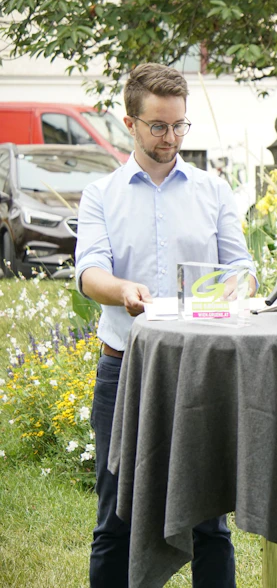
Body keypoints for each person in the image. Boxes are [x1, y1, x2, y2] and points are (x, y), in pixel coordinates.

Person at [75, 63, 258, 587]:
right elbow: (89, 272)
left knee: (209, 520)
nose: (172, 138)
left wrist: (223, 292)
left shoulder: (213, 190)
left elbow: (241, 269)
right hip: (124, 370)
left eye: (180, 126)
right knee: (115, 518)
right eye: (159, 126)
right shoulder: (101, 194)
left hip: (199, 370)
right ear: (130, 123)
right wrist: (123, 291)